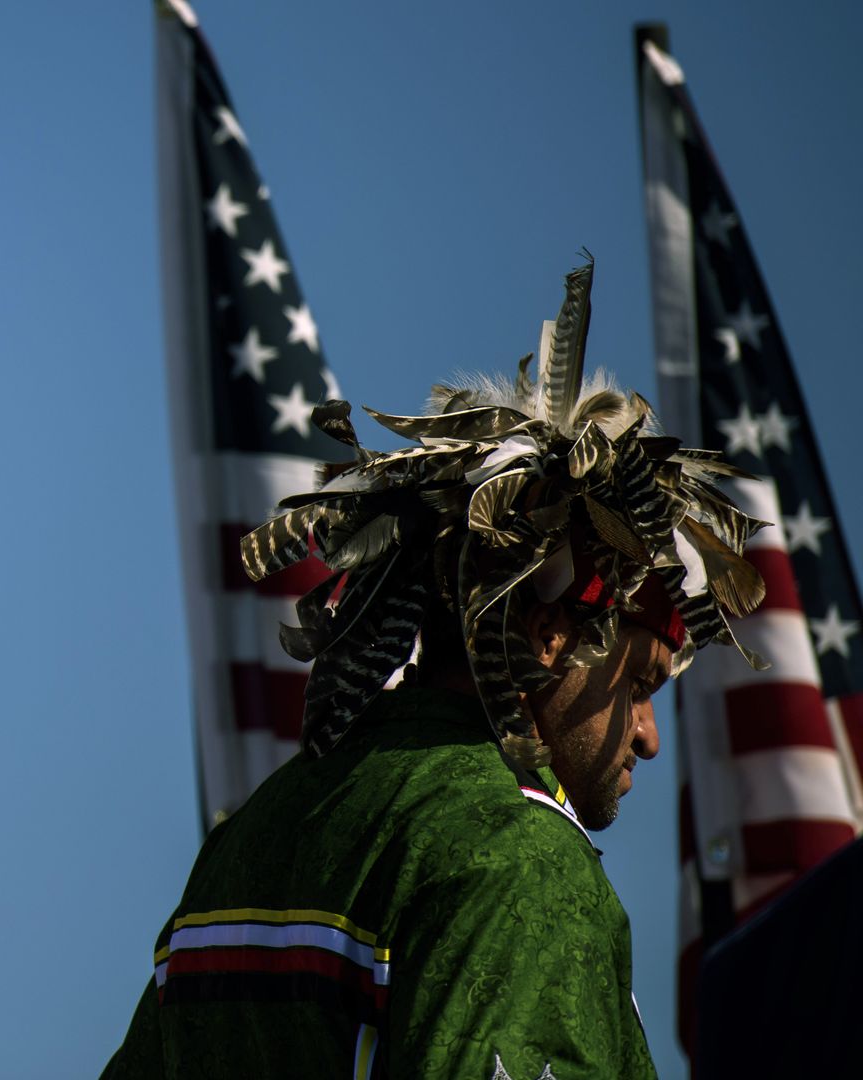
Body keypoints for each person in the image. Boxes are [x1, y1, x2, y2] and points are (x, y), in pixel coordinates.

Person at [103, 263, 769, 1079]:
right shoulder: (519, 860)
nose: (648, 736)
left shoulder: (250, 839)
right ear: (551, 635)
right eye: (640, 685)